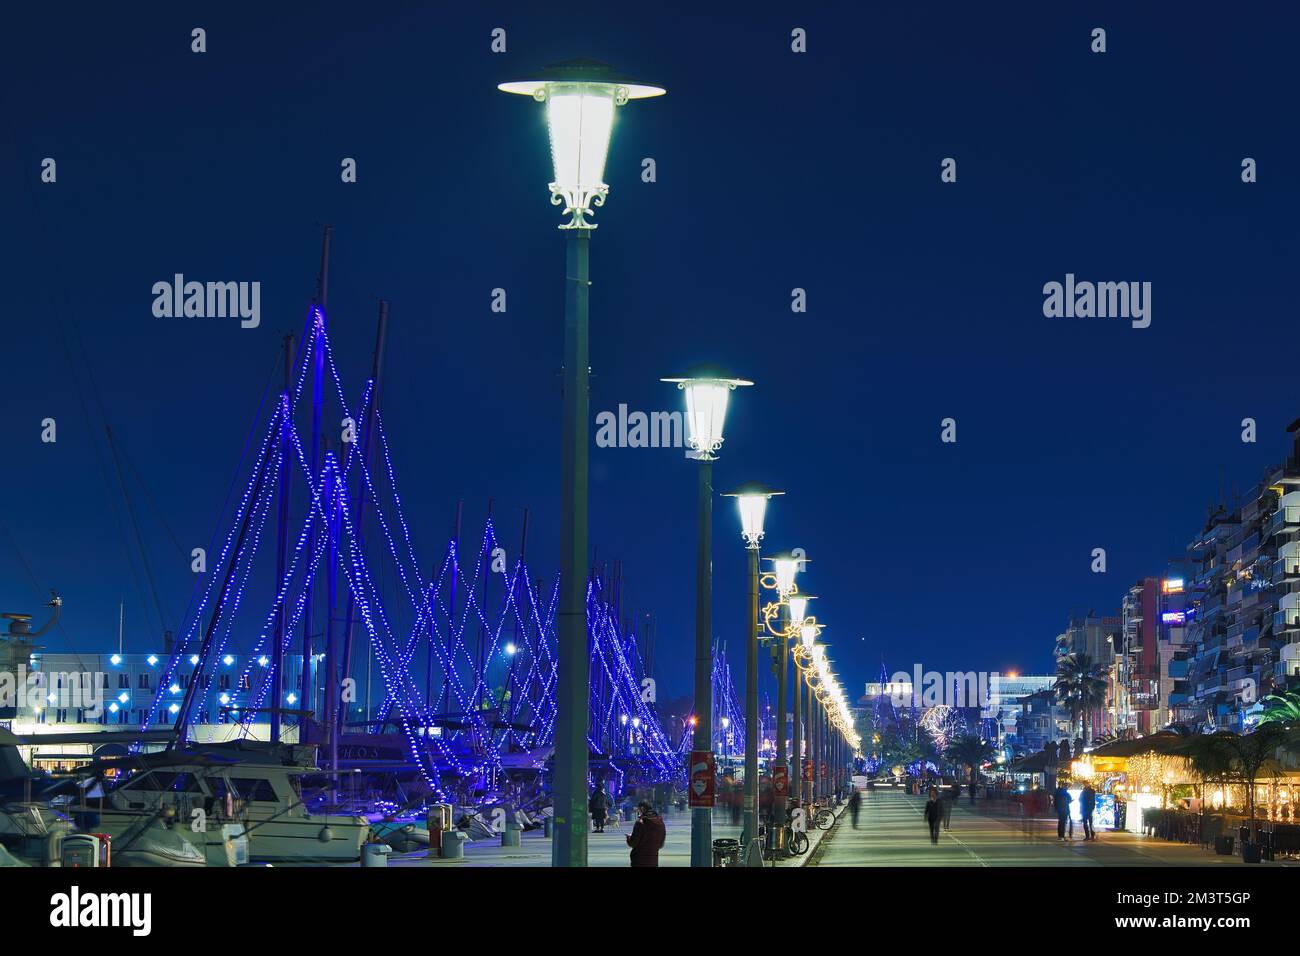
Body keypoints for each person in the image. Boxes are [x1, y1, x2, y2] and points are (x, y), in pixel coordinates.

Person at [627, 801, 666, 867]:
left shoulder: (640, 823)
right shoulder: (660, 822)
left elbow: (633, 843)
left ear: (642, 808)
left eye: (639, 809)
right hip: (653, 859)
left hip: (639, 859)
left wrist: (628, 838)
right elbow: (661, 844)